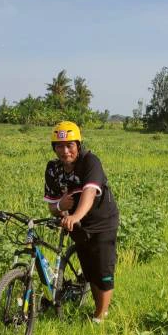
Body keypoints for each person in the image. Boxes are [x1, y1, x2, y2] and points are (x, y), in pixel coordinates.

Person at [44, 121, 119, 322]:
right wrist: (60, 206)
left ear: (78, 144)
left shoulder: (90, 162)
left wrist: (75, 215)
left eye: (70, 145)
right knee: (88, 268)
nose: (65, 150)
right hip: (76, 223)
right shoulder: (53, 169)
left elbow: (89, 191)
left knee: (102, 269)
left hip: (102, 220)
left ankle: (100, 316)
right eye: (59, 146)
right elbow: (52, 206)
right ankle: (96, 307)